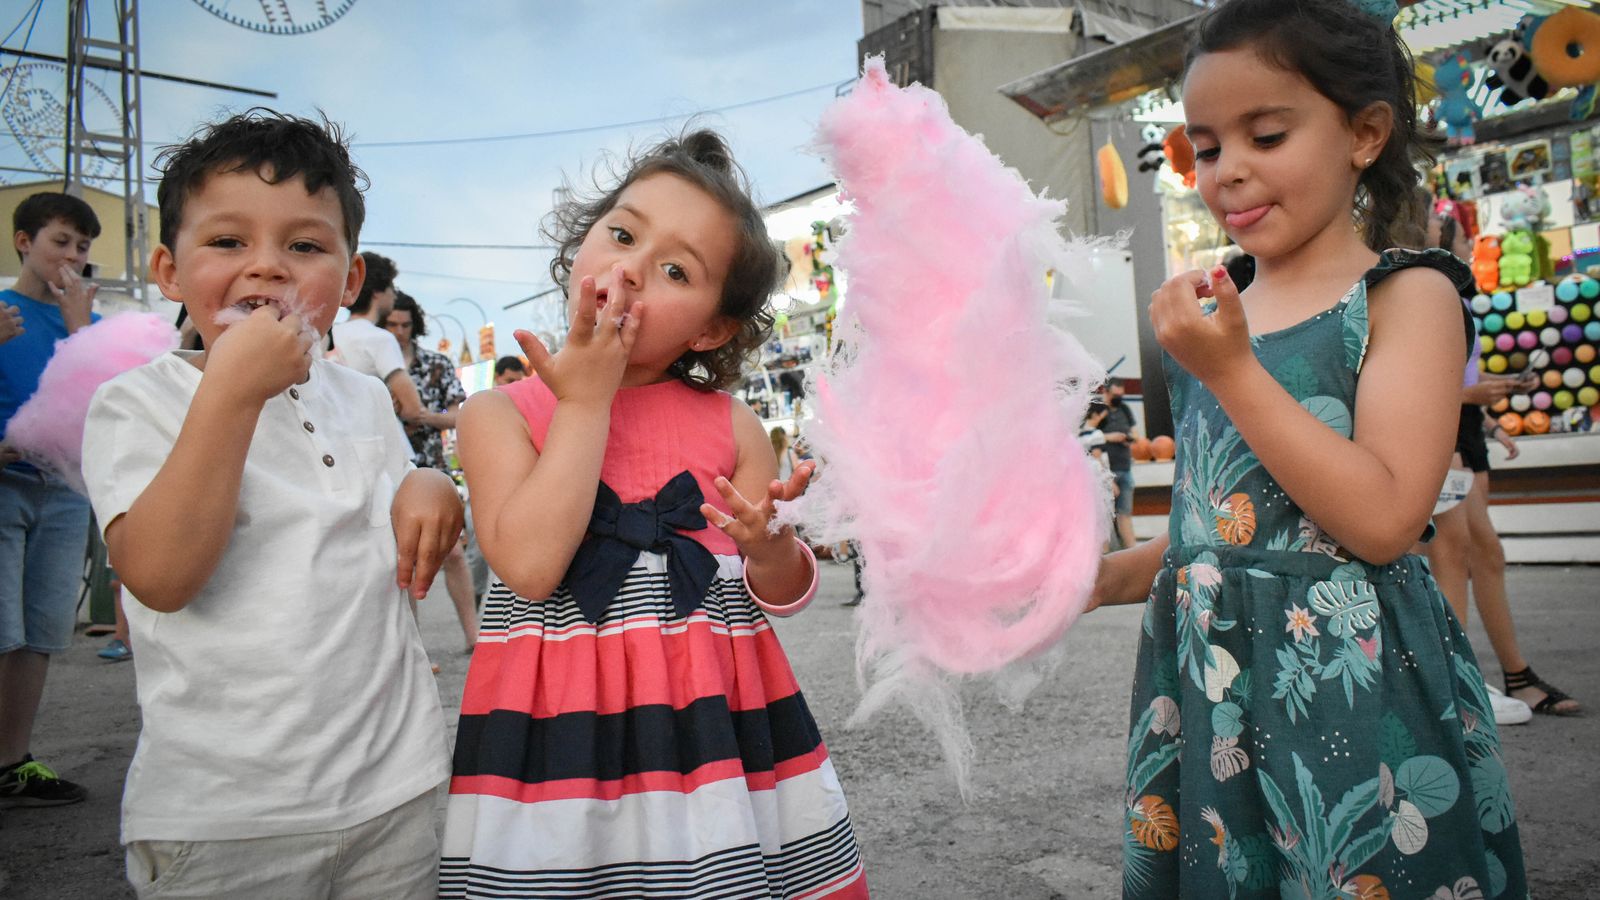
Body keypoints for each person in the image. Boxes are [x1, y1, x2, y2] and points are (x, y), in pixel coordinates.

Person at [1090, 2, 1526, 894]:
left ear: (1365, 133)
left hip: (1349, 692)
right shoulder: (1220, 309)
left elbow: (1382, 518)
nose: (1229, 173)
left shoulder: (1407, 298)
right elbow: (1224, 529)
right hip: (1215, 702)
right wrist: (1096, 579)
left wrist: (1232, 369)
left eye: (1268, 134)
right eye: (1207, 148)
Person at [440, 129, 867, 898]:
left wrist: (767, 546)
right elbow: (531, 566)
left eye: (675, 270)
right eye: (623, 234)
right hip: (559, 720)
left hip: (709, 718)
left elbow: (779, 587)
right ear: (584, 241)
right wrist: (586, 399)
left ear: (711, 329)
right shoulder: (497, 413)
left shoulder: (732, 423)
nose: (631, 269)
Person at [80, 109, 458, 898]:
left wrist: (427, 484)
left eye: (305, 246)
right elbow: (159, 574)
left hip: (397, 789)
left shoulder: (361, 398)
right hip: (228, 823)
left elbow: (394, 506)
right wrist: (232, 393)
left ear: (349, 282)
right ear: (169, 271)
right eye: (227, 242)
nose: (267, 268)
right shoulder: (135, 404)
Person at [1423, 211, 1580, 720]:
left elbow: (1449, 375)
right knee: (1456, 550)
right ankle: (1462, 682)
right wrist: (1474, 397)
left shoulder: (1448, 293)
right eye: (1458, 231)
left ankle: (1505, 675)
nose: (1469, 241)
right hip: (1439, 429)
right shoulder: (1419, 289)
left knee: (1481, 551)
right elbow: (1417, 380)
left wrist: (1486, 418)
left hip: (1461, 429)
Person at [0, 191, 101, 808]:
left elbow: (102, 406)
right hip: (5, 486)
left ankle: (14, 761)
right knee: (2, 630)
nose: (73, 256)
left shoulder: (81, 319)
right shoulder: (2, 311)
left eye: (83, 246)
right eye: (60, 242)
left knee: (40, 633)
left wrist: (78, 331)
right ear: (23, 242)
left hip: (64, 491)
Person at [383, 290, 478, 649]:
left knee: (452, 551)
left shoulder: (435, 364)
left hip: (432, 469)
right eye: (392, 324)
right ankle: (414, 646)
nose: (399, 331)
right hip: (389, 469)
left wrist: (424, 417)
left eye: (405, 324)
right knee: (401, 557)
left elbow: (459, 414)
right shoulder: (374, 360)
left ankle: (474, 635)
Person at [329, 249, 426, 422]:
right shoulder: (380, 339)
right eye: (392, 287)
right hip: (371, 437)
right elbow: (413, 409)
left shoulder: (330, 334)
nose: (394, 295)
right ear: (377, 293)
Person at [1099, 377, 1139, 549]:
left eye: (1120, 395)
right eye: (1115, 395)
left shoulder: (1125, 409)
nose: (1118, 398)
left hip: (1125, 468)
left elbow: (1136, 435)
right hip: (1105, 470)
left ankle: (1133, 555)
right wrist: (1109, 437)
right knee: (1104, 519)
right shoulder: (1097, 411)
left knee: (1125, 514)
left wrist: (1128, 438)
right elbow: (1086, 435)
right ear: (1106, 392)